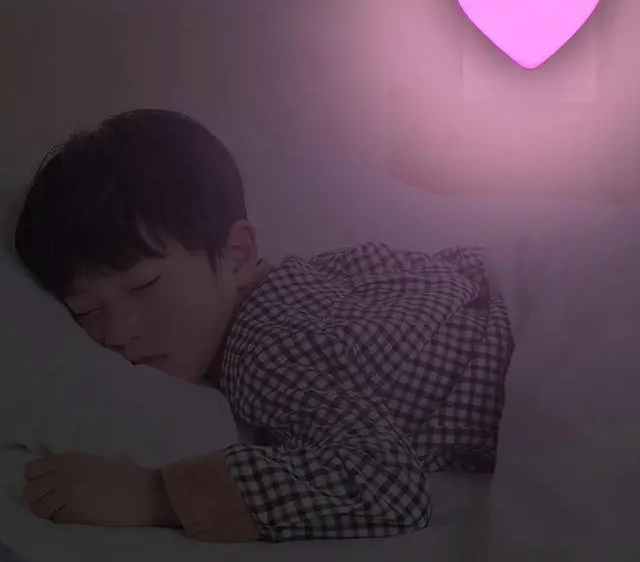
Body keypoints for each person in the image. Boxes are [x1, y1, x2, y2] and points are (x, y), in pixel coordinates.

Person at [14, 108, 514, 544]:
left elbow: (389, 487)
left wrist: (153, 495)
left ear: (237, 254)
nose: (119, 335)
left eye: (144, 287)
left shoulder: (262, 352)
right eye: (86, 312)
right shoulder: (302, 280)